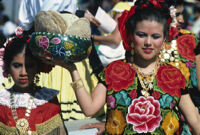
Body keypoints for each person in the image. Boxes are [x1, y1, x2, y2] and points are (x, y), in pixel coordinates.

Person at [57, 0, 200, 134]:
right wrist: (72, 70)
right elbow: (89, 109)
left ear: (164, 38)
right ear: (131, 35)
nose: (148, 42)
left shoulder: (173, 75)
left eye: (155, 36)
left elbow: (194, 123)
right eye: (141, 35)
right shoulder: (114, 71)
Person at [0, 33, 67, 134]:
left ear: (38, 67)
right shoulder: (2, 102)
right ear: (8, 67)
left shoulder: (47, 100)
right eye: (17, 65)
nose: (23, 73)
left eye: (29, 66)